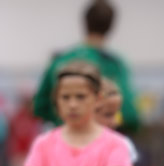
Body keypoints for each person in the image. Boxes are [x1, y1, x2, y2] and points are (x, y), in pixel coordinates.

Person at [33, 0, 139, 132]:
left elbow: (39, 106)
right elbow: (130, 115)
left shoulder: (60, 60)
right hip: (100, 140)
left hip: (62, 137)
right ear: (111, 27)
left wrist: (62, 120)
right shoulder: (113, 65)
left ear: (85, 22)